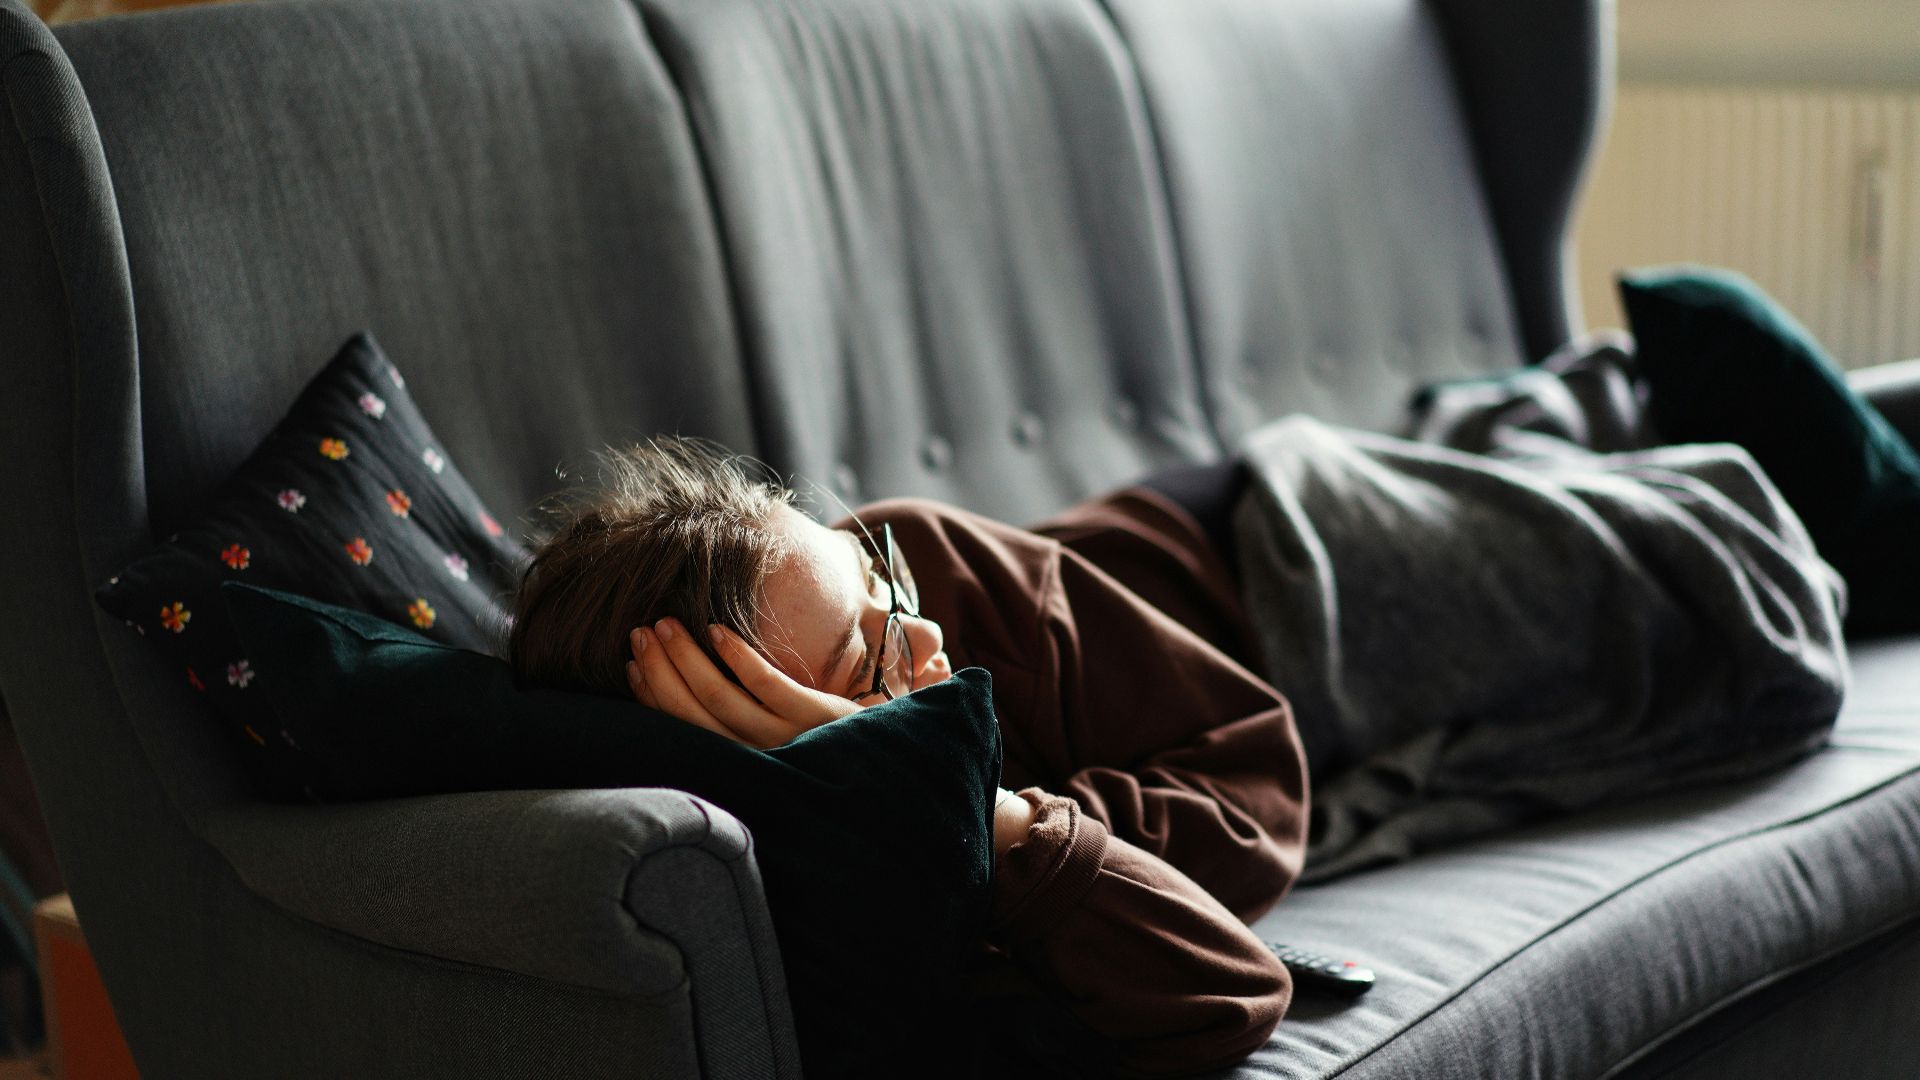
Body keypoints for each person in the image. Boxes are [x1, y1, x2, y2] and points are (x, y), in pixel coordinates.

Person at [508, 438, 1308, 1077]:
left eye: (876, 579)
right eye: (866, 665)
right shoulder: (842, 880)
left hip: (1270, 540)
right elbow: (1230, 995)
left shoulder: (929, 558)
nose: (924, 637)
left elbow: (1259, 787)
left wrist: (996, 813)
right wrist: (974, 812)